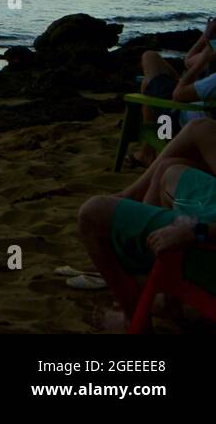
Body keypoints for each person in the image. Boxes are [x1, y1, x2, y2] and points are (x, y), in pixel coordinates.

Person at [80, 158, 216, 329]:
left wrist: (197, 231)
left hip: (209, 238)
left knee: (92, 214)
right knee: (168, 170)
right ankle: (166, 299)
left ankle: (135, 318)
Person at [133, 18, 216, 166]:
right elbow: (188, 61)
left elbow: (178, 95)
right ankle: (146, 152)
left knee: (149, 58)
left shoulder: (213, 82)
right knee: (149, 80)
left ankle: (148, 151)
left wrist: (204, 51)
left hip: (180, 120)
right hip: (196, 109)